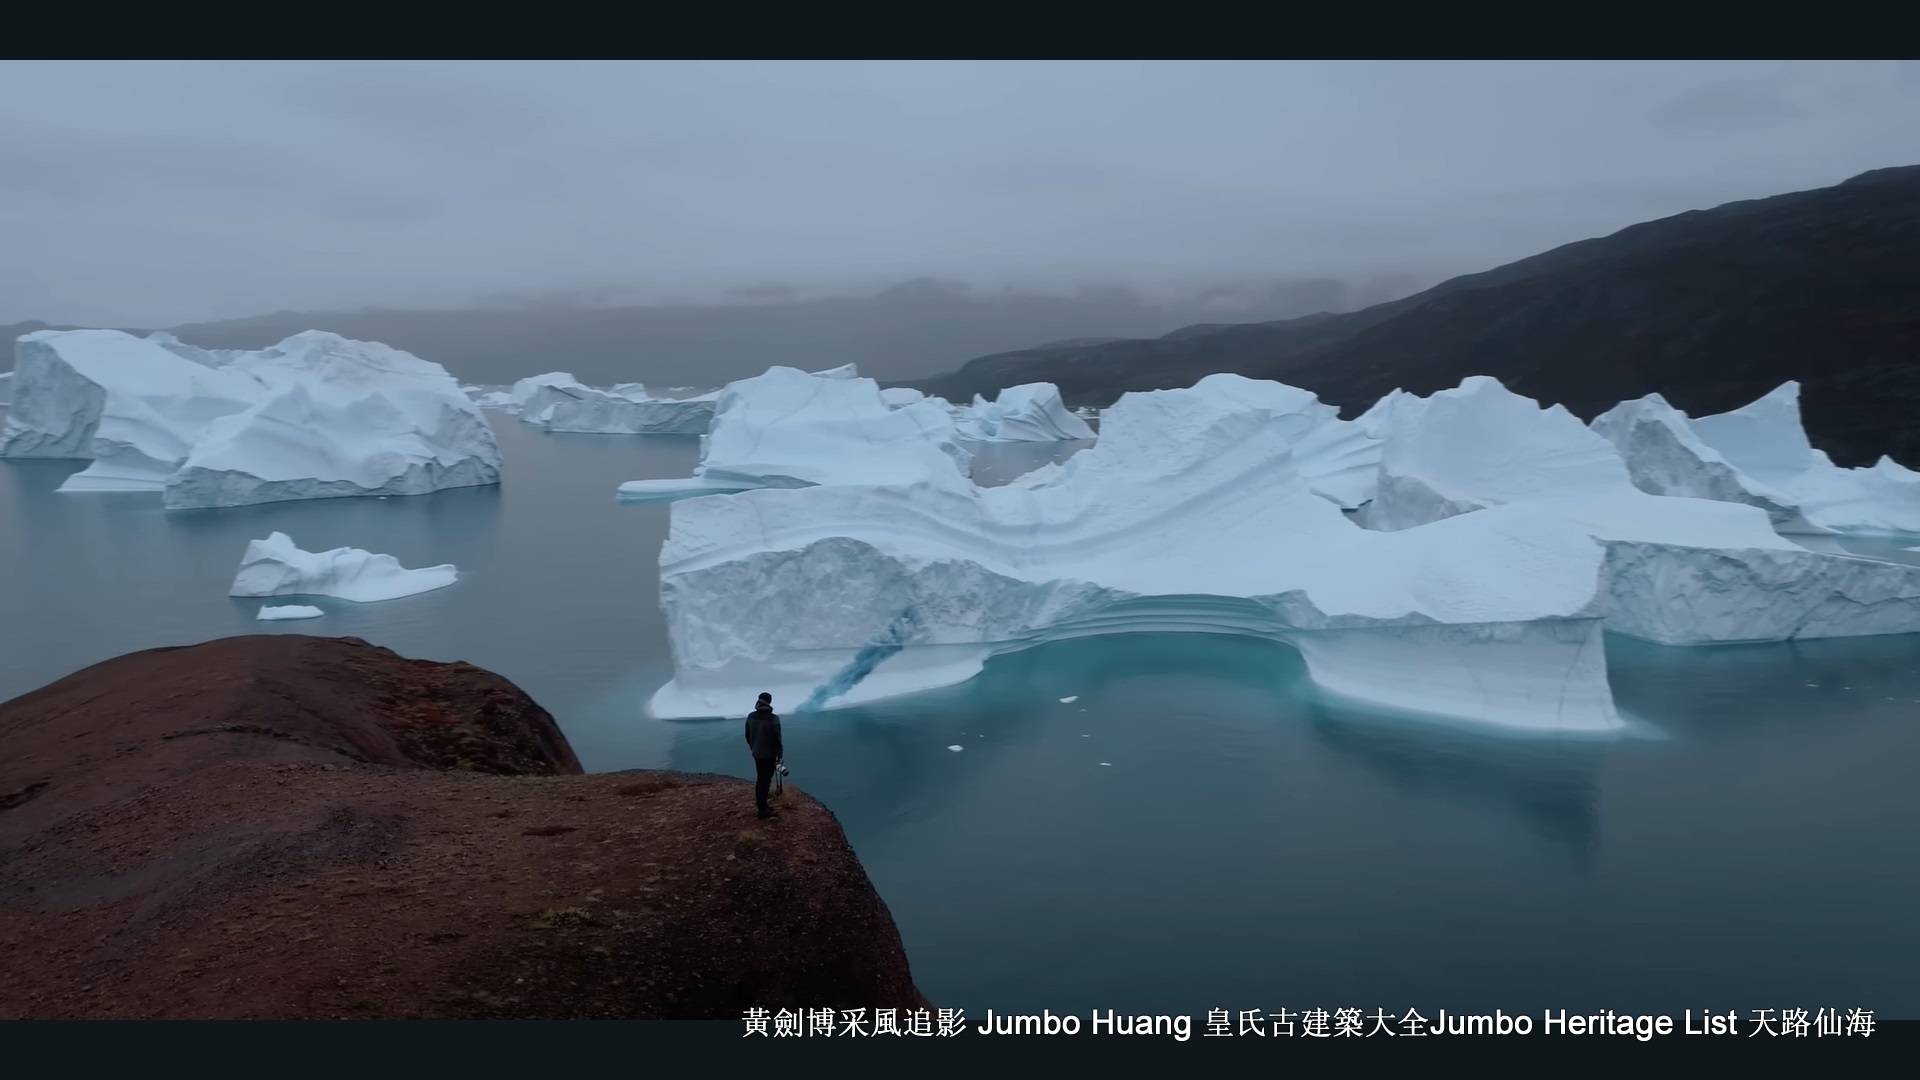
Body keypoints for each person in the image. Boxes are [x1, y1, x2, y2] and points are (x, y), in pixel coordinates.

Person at [744, 691, 784, 818]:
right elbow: (777, 739)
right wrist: (779, 754)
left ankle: (763, 806)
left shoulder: (750, 716)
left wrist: (754, 748)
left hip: (757, 753)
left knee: (761, 779)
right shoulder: (773, 719)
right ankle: (762, 810)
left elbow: (747, 736)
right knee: (765, 780)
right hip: (769, 755)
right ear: (770, 702)